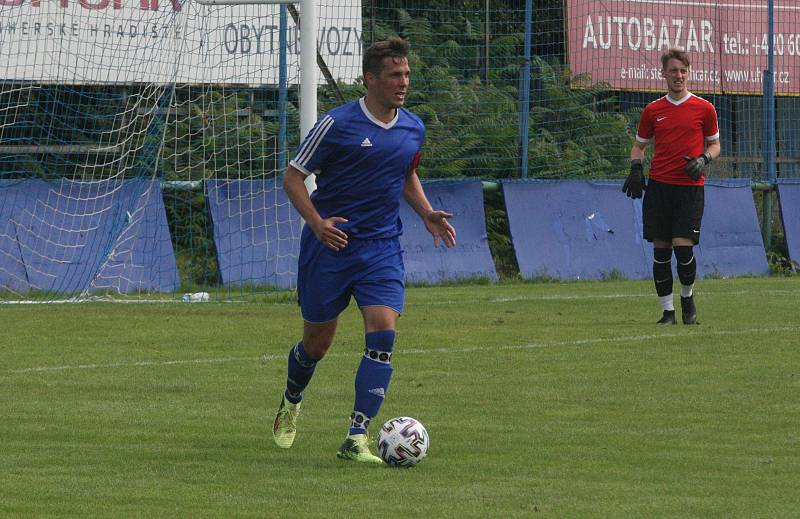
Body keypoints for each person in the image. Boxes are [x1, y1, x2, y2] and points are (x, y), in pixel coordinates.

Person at [272, 37, 457, 463]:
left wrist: (426, 212)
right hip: (330, 247)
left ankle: (357, 437)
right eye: (394, 75)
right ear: (370, 79)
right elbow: (293, 178)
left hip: (381, 248)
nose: (403, 82)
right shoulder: (336, 124)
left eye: (407, 74)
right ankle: (291, 400)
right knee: (316, 344)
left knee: (383, 333)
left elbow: (405, 173)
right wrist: (317, 224)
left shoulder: (413, 127)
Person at [623, 48, 720, 325]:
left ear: (688, 73)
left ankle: (687, 296)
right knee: (661, 250)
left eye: (683, 71)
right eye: (673, 71)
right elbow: (639, 146)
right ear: (663, 73)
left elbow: (715, 145)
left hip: (689, 188)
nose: (678, 76)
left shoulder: (704, 108)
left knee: (683, 248)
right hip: (659, 188)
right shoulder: (653, 110)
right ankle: (667, 313)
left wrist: (703, 159)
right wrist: (635, 168)